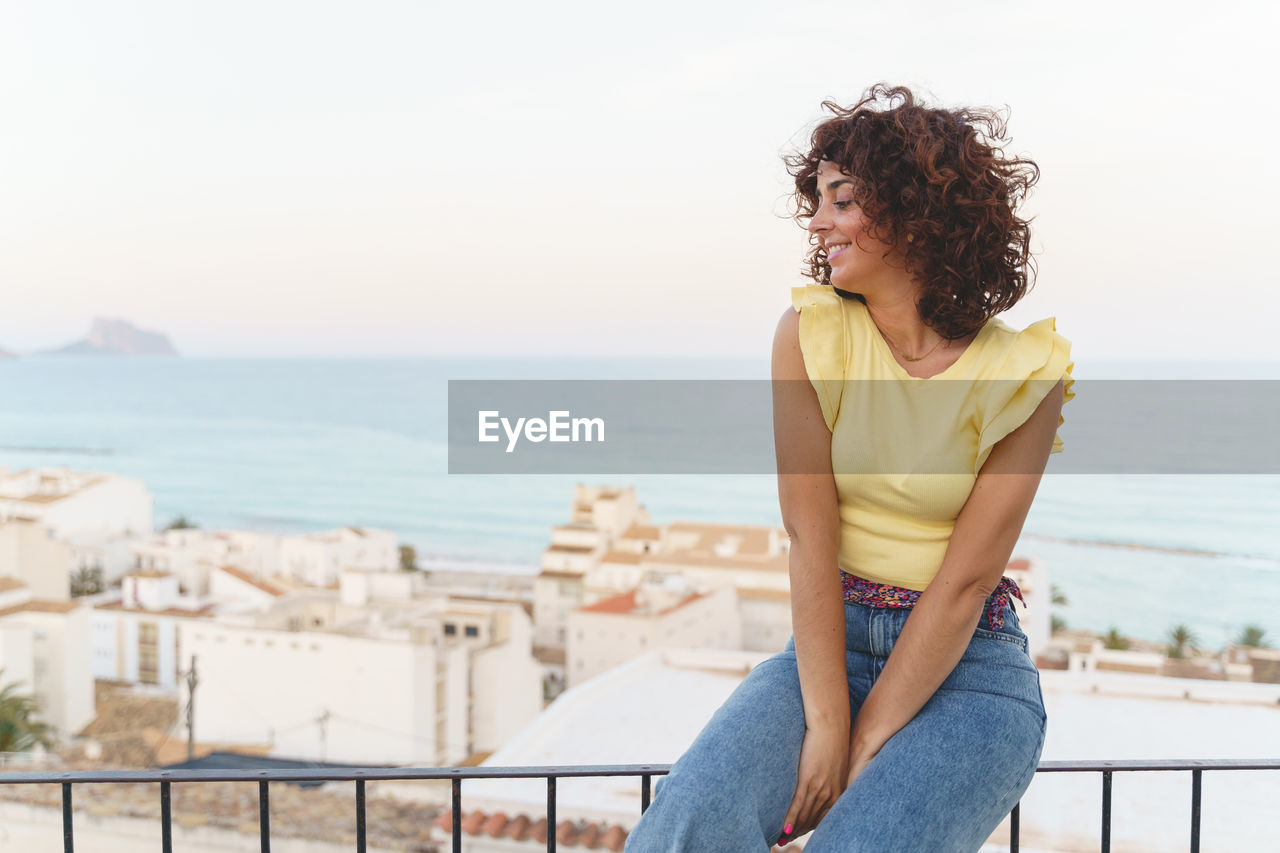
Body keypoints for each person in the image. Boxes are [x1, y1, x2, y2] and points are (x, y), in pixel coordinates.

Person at [624, 83, 1074, 852]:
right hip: (828, 653)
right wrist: (830, 721)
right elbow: (809, 532)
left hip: (969, 673)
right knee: (687, 821)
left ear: (910, 211)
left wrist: (865, 745)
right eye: (818, 197)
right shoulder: (810, 334)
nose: (817, 219)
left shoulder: (1026, 375)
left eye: (841, 198)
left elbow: (967, 583)